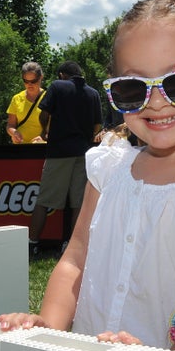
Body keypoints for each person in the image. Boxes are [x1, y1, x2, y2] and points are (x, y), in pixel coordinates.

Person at [0, 0, 175, 351]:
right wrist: (50, 327)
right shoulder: (108, 168)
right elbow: (75, 259)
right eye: (133, 88)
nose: (156, 101)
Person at [26, 60, 102, 258]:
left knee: (44, 200)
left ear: (61, 74)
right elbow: (97, 127)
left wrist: (44, 131)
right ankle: (70, 247)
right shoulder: (93, 93)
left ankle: (32, 244)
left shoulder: (57, 86)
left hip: (59, 152)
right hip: (83, 154)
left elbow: (44, 113)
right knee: (78, 203)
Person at [6, 61, 47, 144]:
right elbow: (10, 125)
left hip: (42, 148)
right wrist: (14, 133)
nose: (29, 84)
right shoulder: (16, 98)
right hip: (21, 148)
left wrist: (43, 138)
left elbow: (57, 128)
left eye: (33, 81)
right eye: (26, 81)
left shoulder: (49, 97)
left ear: (41, 77)